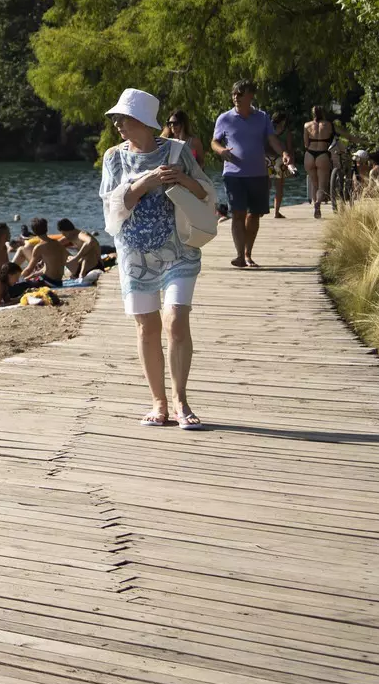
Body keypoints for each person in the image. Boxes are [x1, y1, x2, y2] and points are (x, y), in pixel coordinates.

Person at [102, 88, 213, 430]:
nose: (118, 124)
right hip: (134, 254)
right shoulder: (114, 158)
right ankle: (158, 402)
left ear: (144, 122)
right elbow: (111, 208)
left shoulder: (178, 151)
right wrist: (145, 181)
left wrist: (181, 178)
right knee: (147, 327)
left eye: (125, 118)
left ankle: (180, 400)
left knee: (176, 319)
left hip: (178, 249)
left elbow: (206, 192)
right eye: (117, 119)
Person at [213, 81, 294, 268]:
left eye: (241, 94)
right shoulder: (224, 118)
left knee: (254, 215)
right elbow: (214, 142)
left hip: (258, 173)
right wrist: (221, 151)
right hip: (233, 174)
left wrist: (283, 153)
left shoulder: (262, 118)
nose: (236, 97)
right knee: (238, 213)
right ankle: (240, 255)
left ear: (251, 96)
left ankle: (248, 253)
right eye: (234, 94)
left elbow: (272, 139)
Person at [303, 107, 338, 219]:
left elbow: (306, 144)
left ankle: (315, 205)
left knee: (314, 184)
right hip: (322, 154)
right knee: (322, 185)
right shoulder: (329, 125)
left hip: (309, 155)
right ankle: (318, 202)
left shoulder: (307, 125)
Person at [22, 219, 68, 286]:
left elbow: (29, 269)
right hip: (59, 282)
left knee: (21, 285)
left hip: (48, 281)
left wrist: (19, 278)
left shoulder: (39, 247)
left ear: (34, 231)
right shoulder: (58, 244)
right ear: (46, 228)